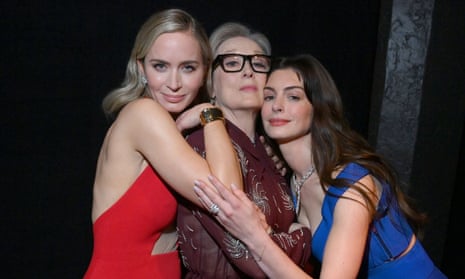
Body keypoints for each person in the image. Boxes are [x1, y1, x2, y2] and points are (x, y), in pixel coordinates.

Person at [193, 54, 447, 278]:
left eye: (293, 96)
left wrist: (253, 235)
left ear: (318, 108)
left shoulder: (353, 184)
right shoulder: (291, 183)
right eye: (269, 96)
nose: (277, 105)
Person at [83, 9, 242, 279]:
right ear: (140, 67)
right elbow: (229, 196)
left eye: (188, 67)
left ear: (205, 70)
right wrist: (212, 114)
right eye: (160, 66)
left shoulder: (180, 131)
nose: (174, 83)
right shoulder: (143, 115)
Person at [175, 23, 311, 278]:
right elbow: (250, 258)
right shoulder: (199, 145)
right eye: (232, 62)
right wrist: (303, 235)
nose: (248, 71)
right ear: (211, 85)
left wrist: (279, 238)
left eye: (258, 64)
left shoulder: (269, 153)